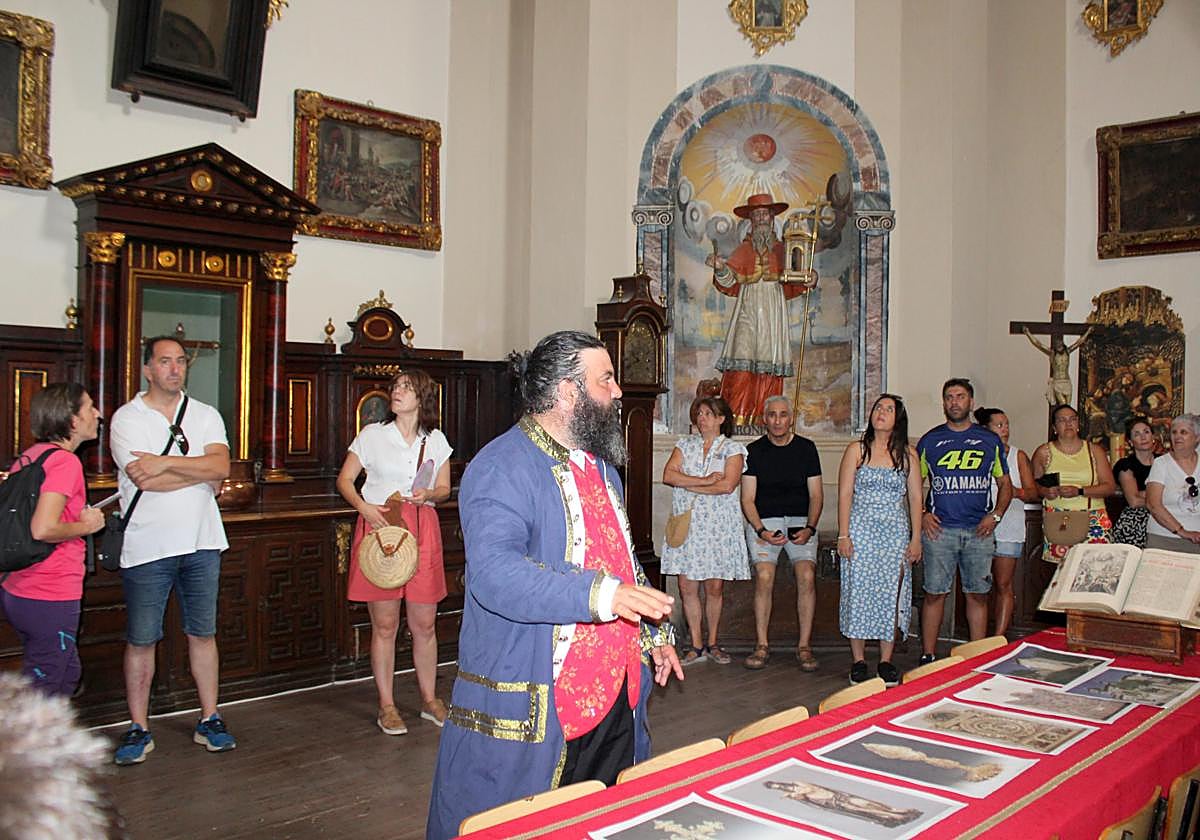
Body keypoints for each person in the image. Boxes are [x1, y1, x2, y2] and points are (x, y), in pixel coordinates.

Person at [426, 330, 682, 840]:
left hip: (619, 692)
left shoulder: (602, 467)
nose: (616, 392)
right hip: (542, 697)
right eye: (604, 379)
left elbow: (622, 558)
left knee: (603, 820)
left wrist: (652, 634)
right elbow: (496, 575)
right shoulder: (501, 466)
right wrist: (601, 594)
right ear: (568, 393)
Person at [108, 336, 233, 766]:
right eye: (165, 362)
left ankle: (210, 718)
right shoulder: (128, 418)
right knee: (142, 639)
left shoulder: (205, 415)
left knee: (203, 633)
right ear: (148, 369)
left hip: (202, 541)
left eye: (180, 361)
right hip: (147, 545)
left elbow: (220, 468)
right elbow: (145, 481)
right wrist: (195, 473)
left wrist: (163, 462)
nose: (175, 369)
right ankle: (139, 727)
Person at [336, 369, 452, 735]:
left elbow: (445, 488)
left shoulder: (434, 440)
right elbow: (344, 480)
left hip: (421, 528)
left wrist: (429, 494)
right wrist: (364, 508)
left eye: (406, 387)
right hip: (382, 526)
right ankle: (386, 704)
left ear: (422, 397)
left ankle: (430, 699)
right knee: (385, 624)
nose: (397, 392)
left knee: (424, 623)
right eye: (395, 387)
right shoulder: (372, 435)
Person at [0, 383, 105, 697]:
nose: (98, 414)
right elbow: (43, 529)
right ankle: (29, 747)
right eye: (89, 407)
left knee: (65, 671)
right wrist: (86, 526)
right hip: (49, 589)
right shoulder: (64, 462)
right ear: (72, 420)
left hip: (18, 587)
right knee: (48, 687)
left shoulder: (32, 455)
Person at [917, 379, 1012, 664]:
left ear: (970, 402)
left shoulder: (989, 440)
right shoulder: (930, 441)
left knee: (978, 594)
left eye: (960, 396)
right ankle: (928, 655)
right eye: (949, 397)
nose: (954, 402)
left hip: (978, 531)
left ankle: (977, 656)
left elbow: (1005, 484)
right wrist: (922, 514)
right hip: (939, 531)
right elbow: (913, 485)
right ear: (943, 403)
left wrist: (995, 516)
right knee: (934, 594)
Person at [836, 394, 922, 686]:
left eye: (889, 409)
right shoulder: (856, 450)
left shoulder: (908, 454)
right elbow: (845, 494)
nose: (881, 413)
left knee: (890, 594)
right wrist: (844, 534)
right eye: (878, 408)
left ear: (898, 418)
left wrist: (916, 539)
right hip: (861, 530)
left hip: (894, 532)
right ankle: (858, 661)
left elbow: (915, 497)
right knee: (858, 592)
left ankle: (886, 661)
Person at [661, 396, 749, 665]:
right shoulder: (684, 444)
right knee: (687, 586)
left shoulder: (733, 448)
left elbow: (727, 485)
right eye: (698, 413)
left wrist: (687, 484)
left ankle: (713, 642)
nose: (702, 418)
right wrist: (702, 481)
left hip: (718, 527)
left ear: (722, 419)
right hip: (689, 524)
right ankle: (695, 645)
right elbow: (668, 475)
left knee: (714, 587)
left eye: (708, 414)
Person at [706, 193, 806, 427]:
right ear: (751, 220)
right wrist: (720, 267)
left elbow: (797, 276)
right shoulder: (744, 250)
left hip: (773, 312)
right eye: (757, 214)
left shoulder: (784, 249)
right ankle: (737, 419)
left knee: (769, 365)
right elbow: (729, 281)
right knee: (741, 362)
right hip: (748, 309)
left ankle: (765, 419)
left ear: (772, 218)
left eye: (765, 214)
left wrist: (809, 278)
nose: (761, 218)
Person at [739, 395, 823, 671]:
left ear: (791, 418)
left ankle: (804, 645)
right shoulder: (753, 451)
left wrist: (810, 527)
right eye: (772, 415)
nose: (777, 420)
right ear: (765, 419)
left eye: (783, 415)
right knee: (764, 576)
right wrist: (761, 530)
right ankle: (762, 644)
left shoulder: (807, 449)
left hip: (801, 522)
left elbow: (816, 495)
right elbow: (747, 499)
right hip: (765, 522)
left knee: (807, 575)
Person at [973, 407, 1037, 637]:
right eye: (999, 425)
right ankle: (978, 636)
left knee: (1003, 583)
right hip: (979, 525)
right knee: (978, 583)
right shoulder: (976, 453)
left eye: (1007, 424)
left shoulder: (1017, 456)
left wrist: (1011, 491)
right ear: (986, 429)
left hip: (1009, 524)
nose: (1005, 429)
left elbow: (1032, 492)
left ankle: (999, 636)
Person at [1031, 404, 1116, 564]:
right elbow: (1033, 485)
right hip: (1059, 518)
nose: (1068, 423)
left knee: (1095, 569)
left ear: (1078, 424)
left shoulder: (1094, 451)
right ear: (1054, 427)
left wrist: (1080, 491)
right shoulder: (1044, 452)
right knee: (1062, 572)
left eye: (1072, 419)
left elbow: (1109, 486)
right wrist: (1045, 491)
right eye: (1062, 420)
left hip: (1093, 517)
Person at [1144, 414, 1200, 553]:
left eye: (1184, 432)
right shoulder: (1161, 464)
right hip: (1164, 539)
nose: (1177, 436)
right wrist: (1182, 531)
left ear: (1197, 438)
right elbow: (1153, 505)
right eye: (1174, 432)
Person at [1111, 415, 1156, 548]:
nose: (1143, 437)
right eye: (1137, 434)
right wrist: (1159, 495)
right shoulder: (1125, 464)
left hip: (1163, 518)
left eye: (1146, 432)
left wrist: (1143, 493)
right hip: (1135, 522)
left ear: (1153, 437)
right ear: (1130, 442)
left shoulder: (1164, 462)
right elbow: (1134, 501)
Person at [1022, 327, 1093, 407]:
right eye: (1057, 344)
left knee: (1068, 405)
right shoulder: (1052, 353)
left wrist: (1088, 332)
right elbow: (1038, 344)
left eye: (1060, 343)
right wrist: (1028, 333)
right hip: (1058, 382)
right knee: (1063, 403)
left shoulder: (1068, 351)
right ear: (1055, 345)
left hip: (1067, 381)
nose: (1059, 344)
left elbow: (1079, 342)